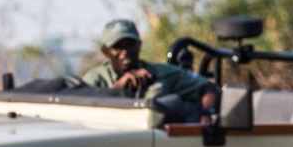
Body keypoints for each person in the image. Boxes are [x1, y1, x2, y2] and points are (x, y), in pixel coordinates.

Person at [82, 19, 217, 122]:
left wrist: (206, 116)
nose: (125, 52)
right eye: (117, 47)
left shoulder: (162, 73)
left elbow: (208, 88)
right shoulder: (95, 79)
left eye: (130, 45)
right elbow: (81, 111)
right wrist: (118, 88)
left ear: (139, 45)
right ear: (106, 52)